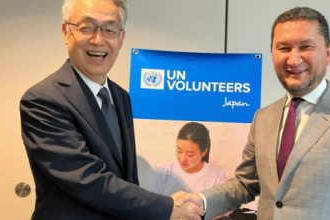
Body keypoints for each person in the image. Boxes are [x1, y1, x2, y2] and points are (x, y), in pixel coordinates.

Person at [176, 7, 330, 220]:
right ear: (273, 52)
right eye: (284, 48)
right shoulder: (263, 118)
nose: (293, 60)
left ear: (328, 53)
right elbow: (246, 183)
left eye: (306, 47)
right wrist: (201, 200)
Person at [19, 0, 202, 219]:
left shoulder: (120, 96)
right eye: (86, 27)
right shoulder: (43, 100)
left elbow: (127, 176)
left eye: (110, 29)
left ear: (121, 38)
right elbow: (87, 180)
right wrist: (165, 207)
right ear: (66, 32)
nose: (98, 40)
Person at [152, 122, 227, 196]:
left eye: (190, 154)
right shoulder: (164, 173)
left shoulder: (217, 178)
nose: (182, 159)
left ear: (204, 152)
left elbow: (223, 207)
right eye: (179, 151)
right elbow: (155, 204)